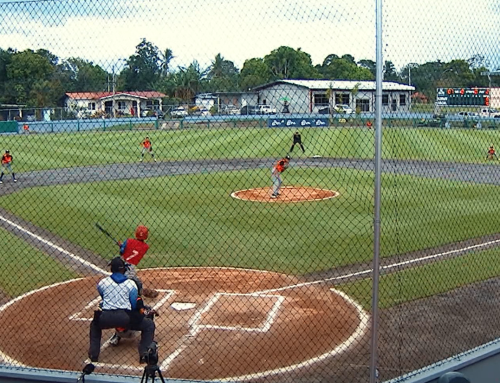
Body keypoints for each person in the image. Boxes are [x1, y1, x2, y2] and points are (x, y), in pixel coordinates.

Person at [88, 257, 156, 363]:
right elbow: (133, 304)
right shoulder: (130, 284)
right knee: (148, 325)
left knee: (95, 326)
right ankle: (144, 354)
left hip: (105, 317)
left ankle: (93, 355)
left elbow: (103, 297)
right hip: (124, 317)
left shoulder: (102, 283)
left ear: (111, 269)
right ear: (124, 269)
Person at [118, 225, 158, 299]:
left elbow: (122, 252)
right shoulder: (145, 247)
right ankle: (139, 293)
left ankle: (140, 292)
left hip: (120, 264)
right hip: (131, 267)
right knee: (134, 282)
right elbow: (135, 250)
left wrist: (122, 246)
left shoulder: (128, 241)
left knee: (133, 281)